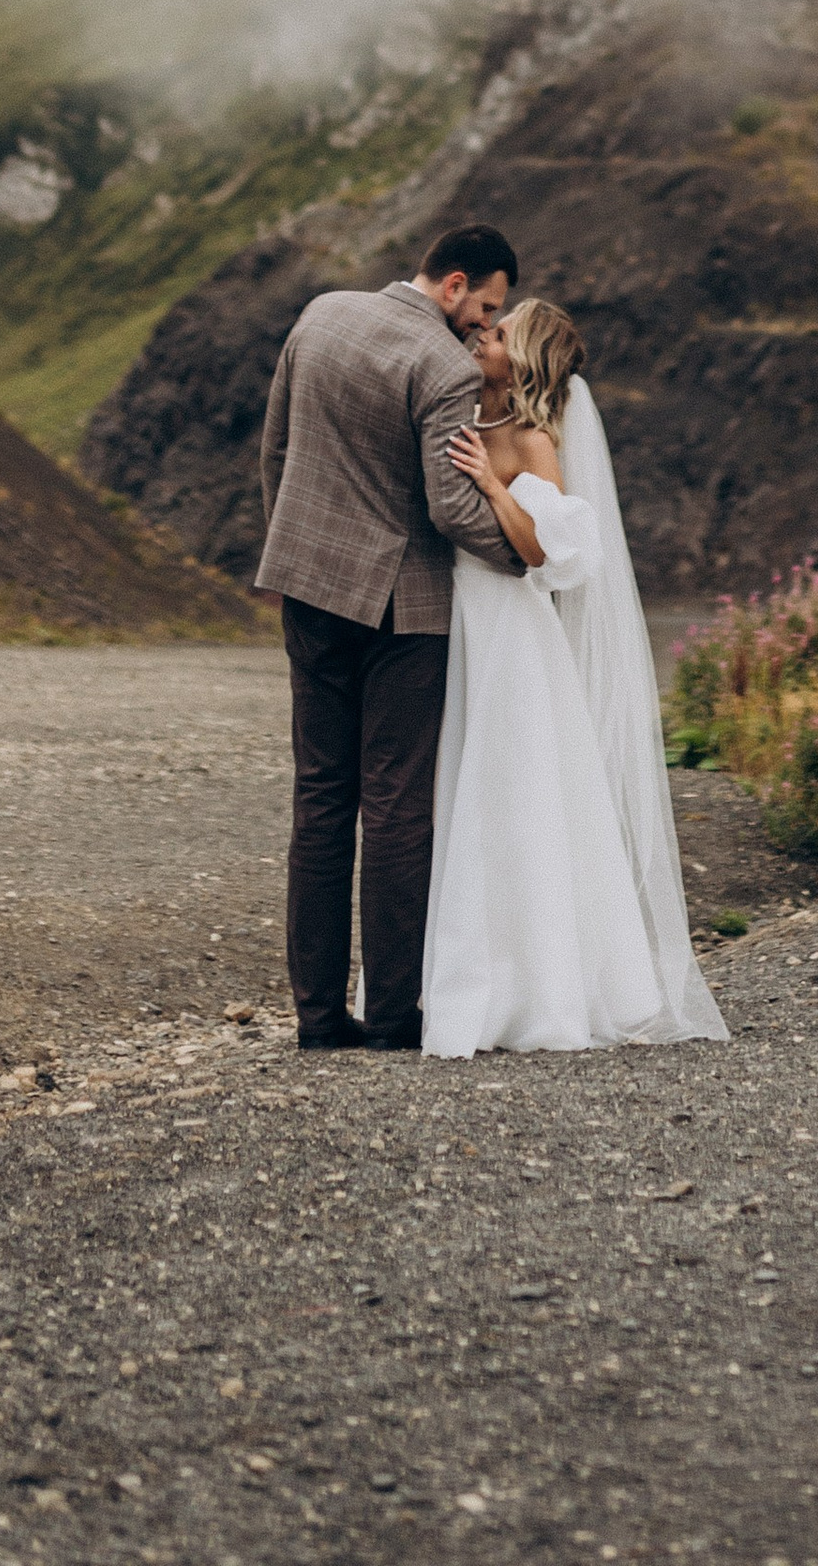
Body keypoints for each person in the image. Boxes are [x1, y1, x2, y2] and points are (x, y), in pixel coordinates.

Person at [419, 295, 726, 1056]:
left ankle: (538, 988)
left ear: (523, 358)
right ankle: (460, 971)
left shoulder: (533, 437)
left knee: (514, 799)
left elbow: (544, 554)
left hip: (511, 633)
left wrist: (493, 489)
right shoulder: (465, 411)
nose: (483, 335)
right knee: (460, 793)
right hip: (460, 620)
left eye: (499, 332)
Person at [253, 224, 525, 1051]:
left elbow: (276, 450)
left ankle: (316, 1017)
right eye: (484, 305)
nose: (484, 325)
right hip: (402, 611)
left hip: (307, 589)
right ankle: (396, 1019)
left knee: (321, 799)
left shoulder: (322, 314)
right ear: (451, 285)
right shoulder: (441, 367)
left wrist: (295, 549)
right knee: (398, 807)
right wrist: (530, 552)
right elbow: (450, 507)